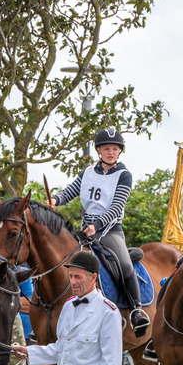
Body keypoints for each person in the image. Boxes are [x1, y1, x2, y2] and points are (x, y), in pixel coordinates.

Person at [52, 127, 148, 335]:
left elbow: (116, 207)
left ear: (120, 151)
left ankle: (136, 311)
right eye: (106, 148)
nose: (111, 152)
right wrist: (55, 200)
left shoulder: (124, 175)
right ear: (98, 150)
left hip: (110, 230)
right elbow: (69, 191)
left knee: (123, 263)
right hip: (85, 230)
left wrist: (97, 224)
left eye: (115, 149)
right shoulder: (87, 172)